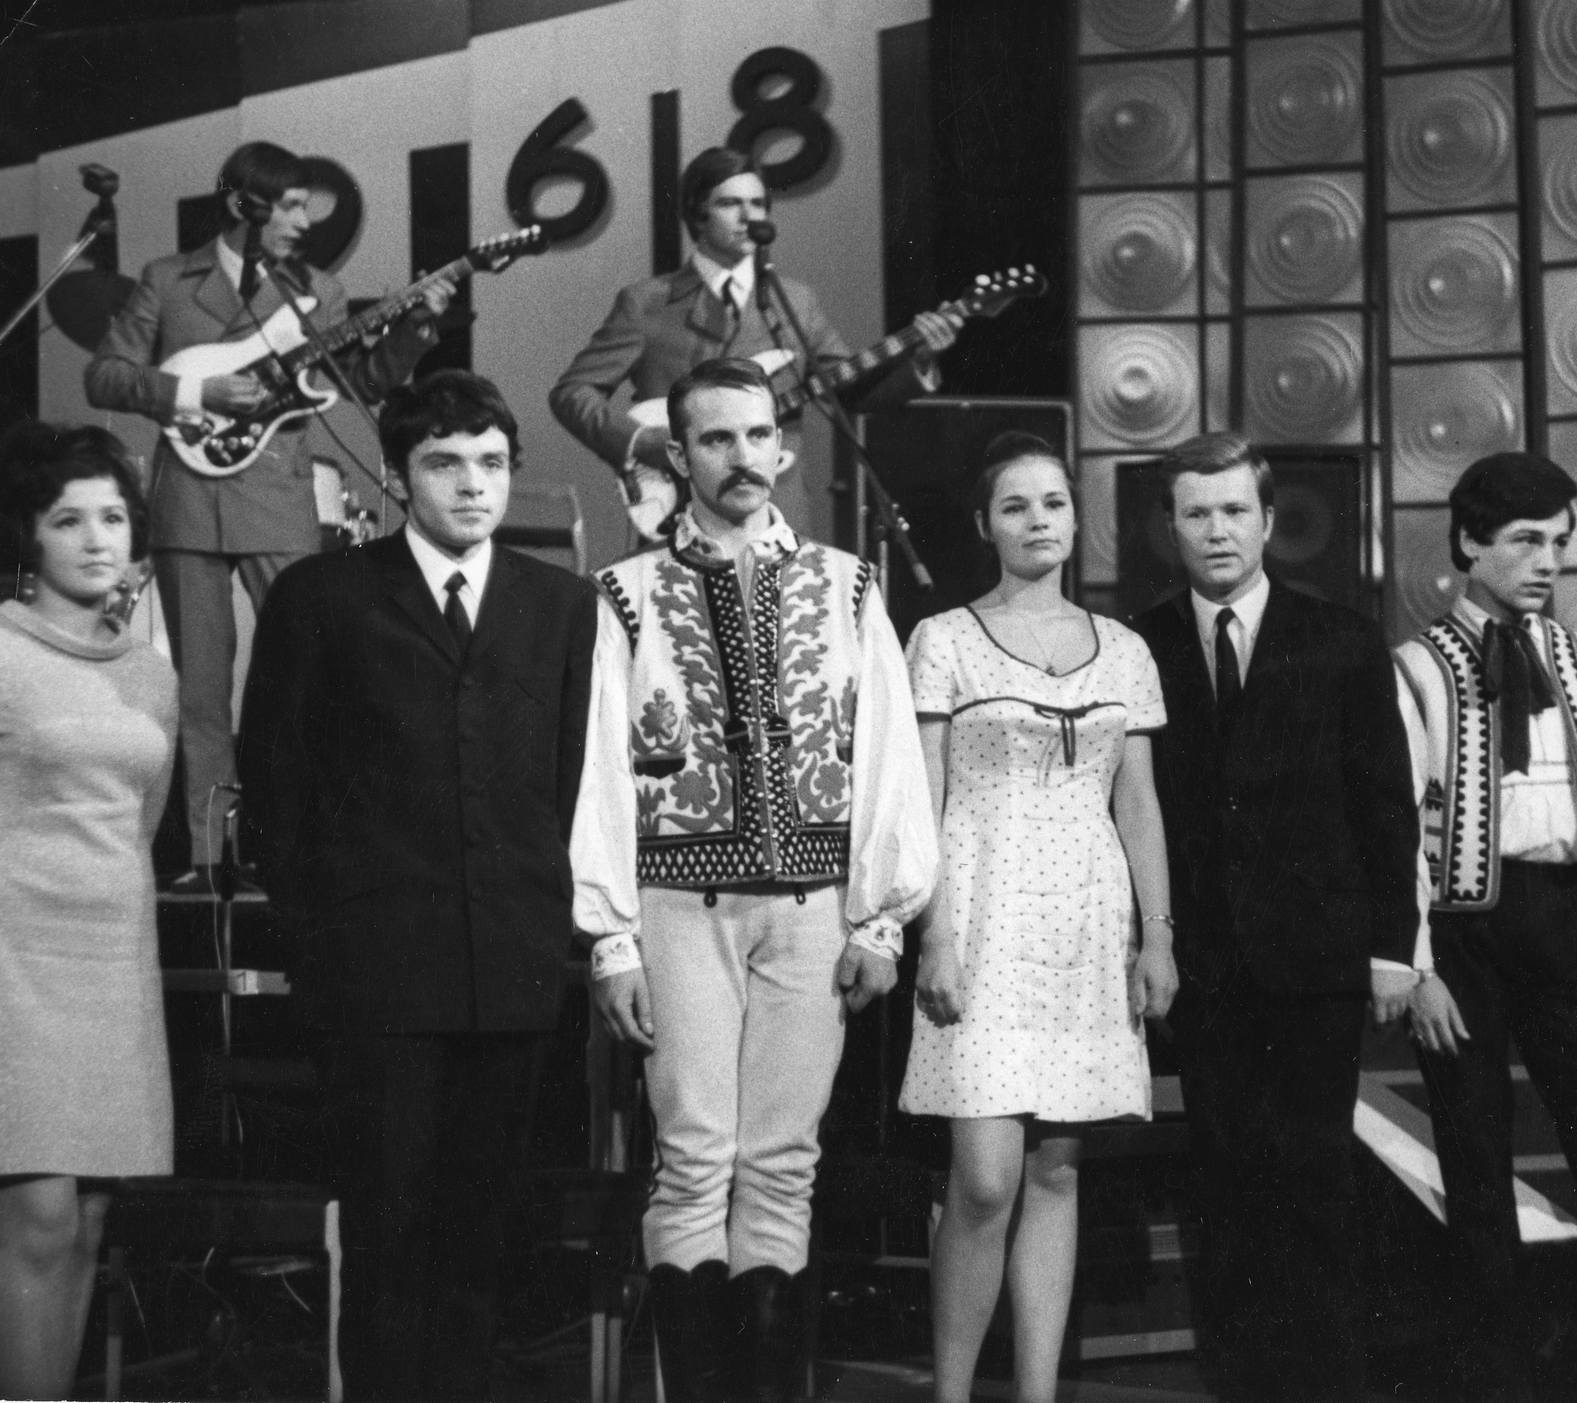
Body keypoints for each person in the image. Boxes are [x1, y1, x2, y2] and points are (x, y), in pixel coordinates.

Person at [236, 370, 636, 1401]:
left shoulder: (562, 605)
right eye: (445, 463)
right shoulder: (321, 596)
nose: (472, 484)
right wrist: (324, 936)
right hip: (373, 980)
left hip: (510, 973)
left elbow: (571, 781)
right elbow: (275, 785)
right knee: (386, 1237)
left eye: (491, 463)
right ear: (399, 474)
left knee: (481, 1241)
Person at [583, 357, 937, 1402]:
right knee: (695, 1157)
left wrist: (881, 919)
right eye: (716, 439)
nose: (742, 457)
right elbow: (602, 766)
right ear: (680, 455)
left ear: (784, 446)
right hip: (676, 908)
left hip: (814, 907)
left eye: (757, 436)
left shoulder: (847, 582)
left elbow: (886, 753)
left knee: (783, 1161)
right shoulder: (627, 592)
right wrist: (611, 937)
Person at [1130, 431, 1420, 1402]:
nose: (1217, 530)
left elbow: (1386, 804)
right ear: (1171, 527)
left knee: (1316, 1177)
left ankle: (1329, 1383)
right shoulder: (1140, 644)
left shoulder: (1342, 637)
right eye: (1196, 513)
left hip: (1317, 960)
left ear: (1265, 520)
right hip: (1203, 968)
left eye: (1233, 511)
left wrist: (1393, 948)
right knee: (1225, 1185)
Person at [87, 140, 451, 887]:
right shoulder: (168, 279)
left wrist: (414, 329)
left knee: (308, 674)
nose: (303, 222)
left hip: (278, 497)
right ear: (242, 206)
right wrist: (195, 392)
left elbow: (360, 384)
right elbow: (105, 375)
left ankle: (300, 842)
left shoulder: (319, 290)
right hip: (189, 499)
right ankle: (209, 859)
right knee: (200, 692)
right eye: (288, 206)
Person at [898, 432, 1177, 1403]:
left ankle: (1037, 1393)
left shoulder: (1127, 650)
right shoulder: (943, 638)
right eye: (1015, 505)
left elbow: (1138, 803)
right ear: (985, 523)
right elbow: (922, 798)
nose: (1038, 520)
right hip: (979, 915)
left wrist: (1158, 934)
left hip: (1088, 924)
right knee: (983, 1178)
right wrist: (932, 932)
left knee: (1058, 1170)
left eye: (1053, 501)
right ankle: (949, 1392)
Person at [1393, 451, 1577, 1402]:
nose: (1547, 561)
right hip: (1460, 930)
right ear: (1470, 543)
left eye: (1558, 542)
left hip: (1563, 920)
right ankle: (1496, 1378)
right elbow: (1396, 830)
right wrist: (1418, 966)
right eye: (1524, 540)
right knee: (1476, 1154)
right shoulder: (1416, 669)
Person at [0, 423, 176, 1400]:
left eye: (112, 516)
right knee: (41, 1220)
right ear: (30, 534)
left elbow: (141, 822)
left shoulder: (150, 673)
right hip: (15, 962)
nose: (97, 537)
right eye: (69, 519)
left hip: (114, 963)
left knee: (91, 1224)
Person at [548, 144, 958, 542]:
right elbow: (572, 392)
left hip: (777, 506)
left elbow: (849, 392)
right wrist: (640, 442)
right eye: (730, 204)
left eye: (758, 204)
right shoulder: (647, 302)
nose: (748, 217)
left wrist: (919, 360)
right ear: (697, 214)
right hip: (679, 505)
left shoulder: (795, 301)